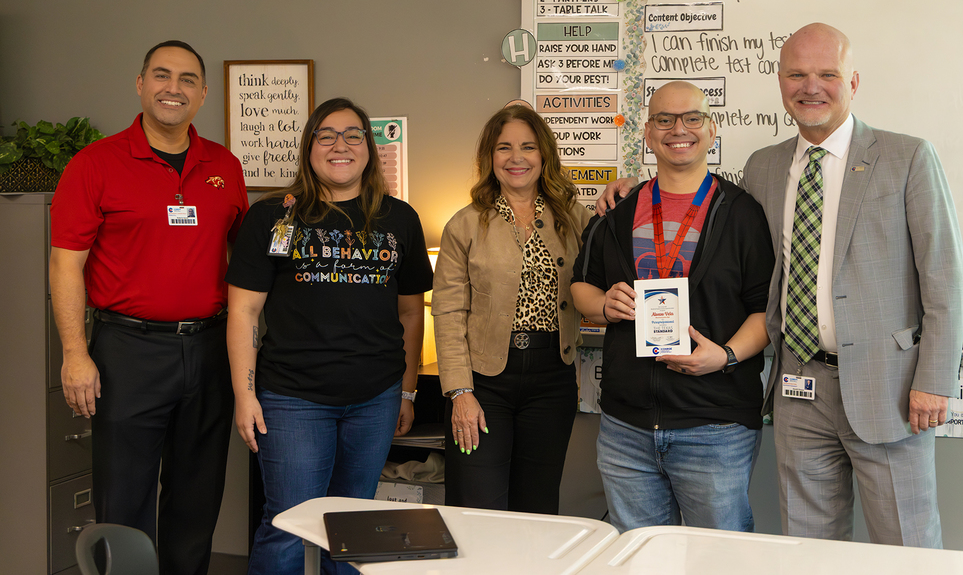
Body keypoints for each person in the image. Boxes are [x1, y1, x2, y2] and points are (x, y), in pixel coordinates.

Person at [741, 23, 963, 547]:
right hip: (799, 387)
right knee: (810, 545)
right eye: (797, 74)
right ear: (780, 82)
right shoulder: (763, 167)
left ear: (854, 81)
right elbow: (736, 250)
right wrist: (635, 189)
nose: (810, 86)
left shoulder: (908, 157)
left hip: (890, 390)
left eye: (827, 74)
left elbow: (944, 277)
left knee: (906, 545)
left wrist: (934, 378)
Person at [50, 40, 248, 575]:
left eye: (187, 79)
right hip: (127, 350)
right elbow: (66, 264)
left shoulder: (224, 167)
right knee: (124, 499)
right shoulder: (95, 165)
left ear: (203, 94)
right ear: (140, 84)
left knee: (197, 498)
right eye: (161, 75)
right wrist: (74, 352)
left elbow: (241, 261)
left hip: (207, 348)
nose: (173, 88)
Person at [225, 97, 432, 574]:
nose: (340, 145)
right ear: (309, 147)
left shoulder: (400, 219)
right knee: (286, 526)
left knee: (354, 525)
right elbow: (244, 311)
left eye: (353, 135)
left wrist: (406, 390)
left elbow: (410, 313)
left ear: (369, 147)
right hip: (293, 399)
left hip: (374, 398)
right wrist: (244, 393)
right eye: (326, 135)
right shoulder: (272, 216)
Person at [570, 81, 774, 532]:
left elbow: (765, 311)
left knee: (717, 561)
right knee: (641, 561)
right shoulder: (615, 211)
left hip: (715, 427)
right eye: (664, 119)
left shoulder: (742, 213)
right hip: (626, 428)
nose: (678, 129)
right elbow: (580, 286)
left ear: (712, 129)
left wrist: (724, 356)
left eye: (692, 118)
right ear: (647, 132)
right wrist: (603, 304)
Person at [432, 103, 592, 513]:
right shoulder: (465, 224)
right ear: (490, 157)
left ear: (544, 156)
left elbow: (613, 255)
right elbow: (447, 313)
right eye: (504, 148)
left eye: (528, 147)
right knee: (476, 503)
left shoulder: (574, 218)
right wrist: (459, 392)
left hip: (552, 379)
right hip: (483, 382)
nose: (516, 158)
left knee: (536, 508)